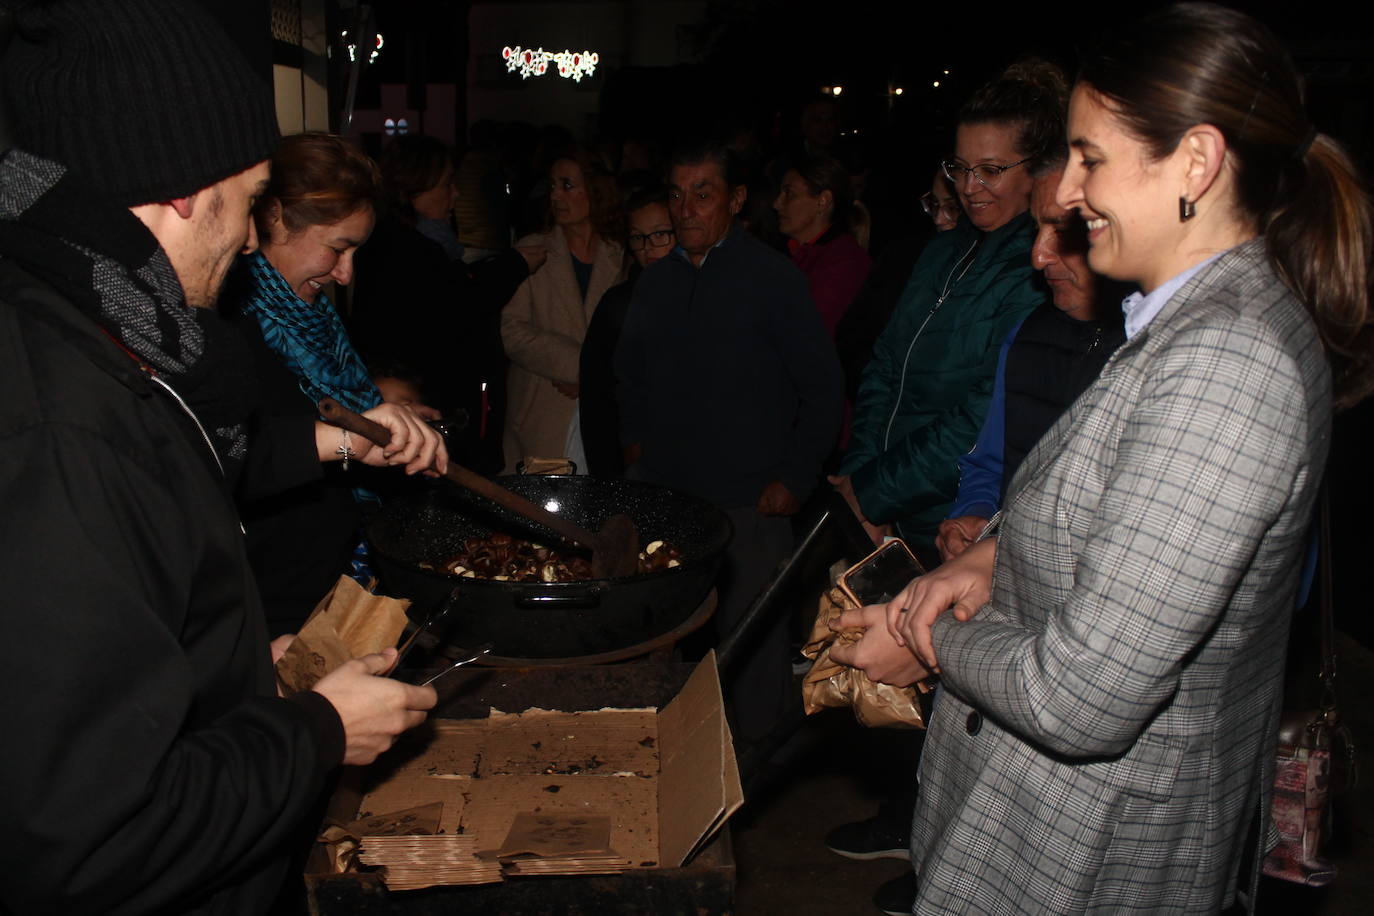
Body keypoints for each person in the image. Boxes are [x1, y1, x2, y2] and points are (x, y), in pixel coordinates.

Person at [835, 4, 1372, 911]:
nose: (1072, 192)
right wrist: (993, 557)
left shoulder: (1228, 363)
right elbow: (1127, 513)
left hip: (1093, 850)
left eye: (1090, 157)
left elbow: (1079, 699)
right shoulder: (1185, 323)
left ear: (1194, 163)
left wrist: (927, 637)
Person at [0, 2, 437, 912]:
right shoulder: (64, 423)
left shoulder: (111, 334)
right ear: (182, 190)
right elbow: (90, 837)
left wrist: (234, 671)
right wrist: (315, 733)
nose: (248, 242)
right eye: (244, 206)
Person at [615, 140, 844, 743]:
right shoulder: (657, 283)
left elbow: (822, 388)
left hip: (749, 504)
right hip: (670, 503)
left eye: (703, 193)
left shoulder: (772, 279)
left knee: (753, 650)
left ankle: (748, 781)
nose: (686, 209)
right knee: (668, 642)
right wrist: (637, 454)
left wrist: (796, 477)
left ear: (736, 200)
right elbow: (628, 377)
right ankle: (677, 766)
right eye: (676, 194)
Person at [833, 59, 1062, 562]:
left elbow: (982, 414)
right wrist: (862, 477)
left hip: (956, 523)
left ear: (1038, 170)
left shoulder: (1041, 267)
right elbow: (885, 365)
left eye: (991, 170)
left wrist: (872, 493)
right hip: (885, 507)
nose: (969, 186)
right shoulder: (940, 251)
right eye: (959, 168)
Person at [225, 132, 444, 636]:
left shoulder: (314, 314)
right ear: (274, 216)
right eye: (337, 249)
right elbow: (238, 455)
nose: (345, 274)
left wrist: (386, 412)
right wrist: (350, 439)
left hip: (333, 580)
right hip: (270, 604)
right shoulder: (230, 322)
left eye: (356, 253)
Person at [935, 157, 1126, 562]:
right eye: (1037, 229)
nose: (1038, 256)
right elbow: (989, 465)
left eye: (1064, 230)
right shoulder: (1026, 334)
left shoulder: (1158, 354)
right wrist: (975, 516)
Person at [350, 134, 543, 472]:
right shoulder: (409, 253)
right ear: (413, 191)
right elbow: (460, 308)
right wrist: (513, 266)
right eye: (446, 183)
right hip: (425, 411)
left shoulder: (415, 245)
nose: (455, 194)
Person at [501, 147, 626, 472]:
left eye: (567, 185)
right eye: (552, 185)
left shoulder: (620, 255)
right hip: (542, 408)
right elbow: (511, 330)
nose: (555, 195)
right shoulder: (532, 251)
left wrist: (594, 378)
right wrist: (582, 368)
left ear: (596, 191)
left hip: (603, 413)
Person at [577, 183, 675, 477]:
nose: (648, 248)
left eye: (660, 234)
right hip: (633, 462)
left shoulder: (706, 294)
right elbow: (597, 399)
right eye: (638, 238)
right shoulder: (617, 304)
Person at [774, 153, 873, 337]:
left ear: (823, 201)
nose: (777, 204)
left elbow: (805, 333)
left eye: (789, 194)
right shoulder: (786, 251)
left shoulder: (846, 262)